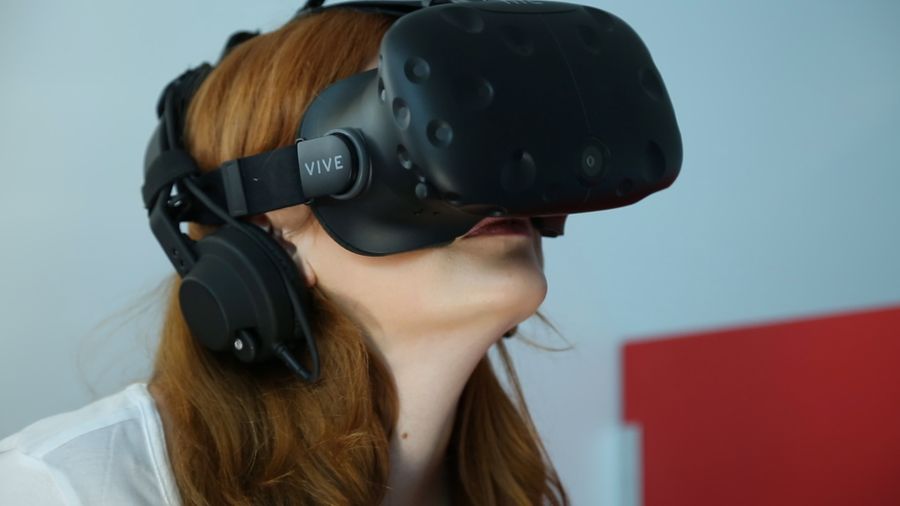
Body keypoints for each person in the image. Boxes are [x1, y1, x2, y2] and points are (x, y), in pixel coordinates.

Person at [0, 7, 568, 506]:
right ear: (264, 236)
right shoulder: (68, 488)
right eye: (406, 141)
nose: (472, 182)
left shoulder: (512, 491)